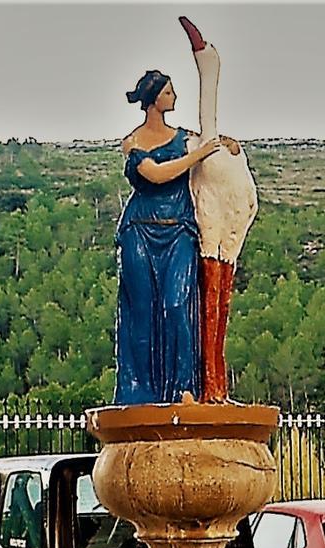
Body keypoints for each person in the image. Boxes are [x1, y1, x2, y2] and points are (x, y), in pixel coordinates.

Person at [114, 70, 223, 405]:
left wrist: (223, 146)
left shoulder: (184, 137)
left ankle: (183, 388)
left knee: (177, 304)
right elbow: (156, 174)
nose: (174, 97)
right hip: (141, 230)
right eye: (168, 92)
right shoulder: (132, 142)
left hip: (178, 230)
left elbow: (212, 147)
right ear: (153, 99)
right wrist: (197, 156)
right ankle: (139, 391)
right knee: (142, 309)